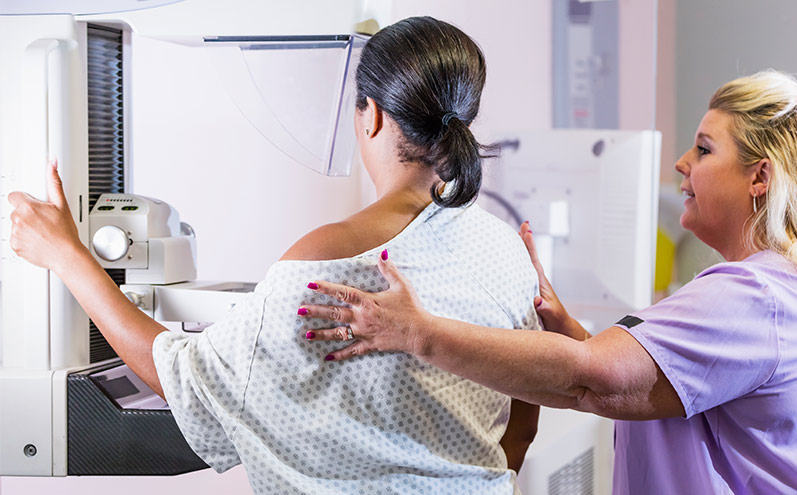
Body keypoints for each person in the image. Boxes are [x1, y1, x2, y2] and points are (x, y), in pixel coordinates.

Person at [8, 17, 543, 494]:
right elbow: (523, 420)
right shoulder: (505, 251)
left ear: (371, 116)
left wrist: (67, 255)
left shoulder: (327, 257)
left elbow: (179, 376)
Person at [298, 70, 797, 494]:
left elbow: (596, 384)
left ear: (760, 177)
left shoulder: (755, 297)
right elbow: (655, 387)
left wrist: (414, 332)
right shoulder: (788, 290)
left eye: (703, 150)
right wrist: (570, 332)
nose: (682, 163)